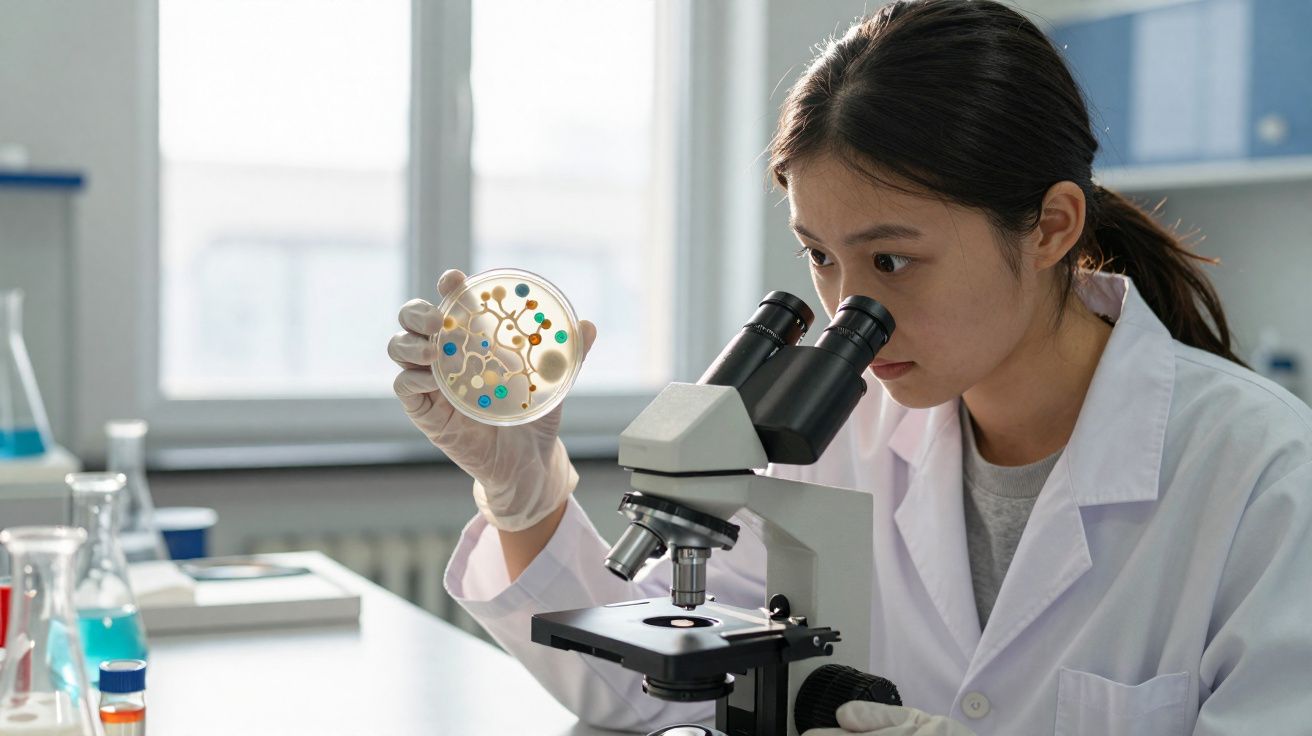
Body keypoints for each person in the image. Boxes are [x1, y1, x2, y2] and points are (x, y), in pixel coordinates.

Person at [387, 1, 1312, 733]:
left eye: (891, 261)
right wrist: (523, 495)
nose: (846, 312)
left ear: (1052, 227)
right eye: (819, 258)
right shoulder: (839, 430)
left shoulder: (1262, 475)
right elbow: (648, 690)